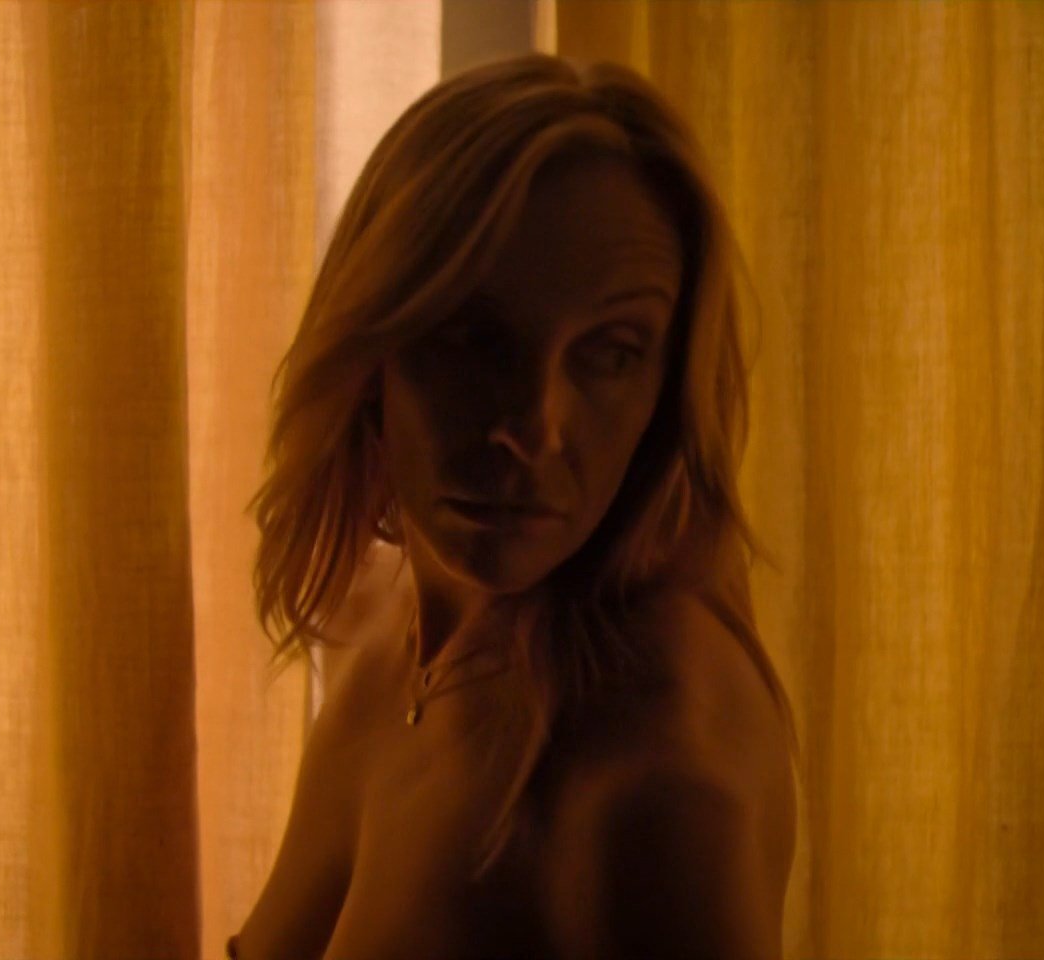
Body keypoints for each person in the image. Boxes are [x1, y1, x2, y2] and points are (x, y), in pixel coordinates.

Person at [231, 52, 799, 960]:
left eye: (608, 352)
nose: (532, 427)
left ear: (668, 392)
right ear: (371, 346)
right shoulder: (386, 617)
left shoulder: (658, 784)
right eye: (471, 336)